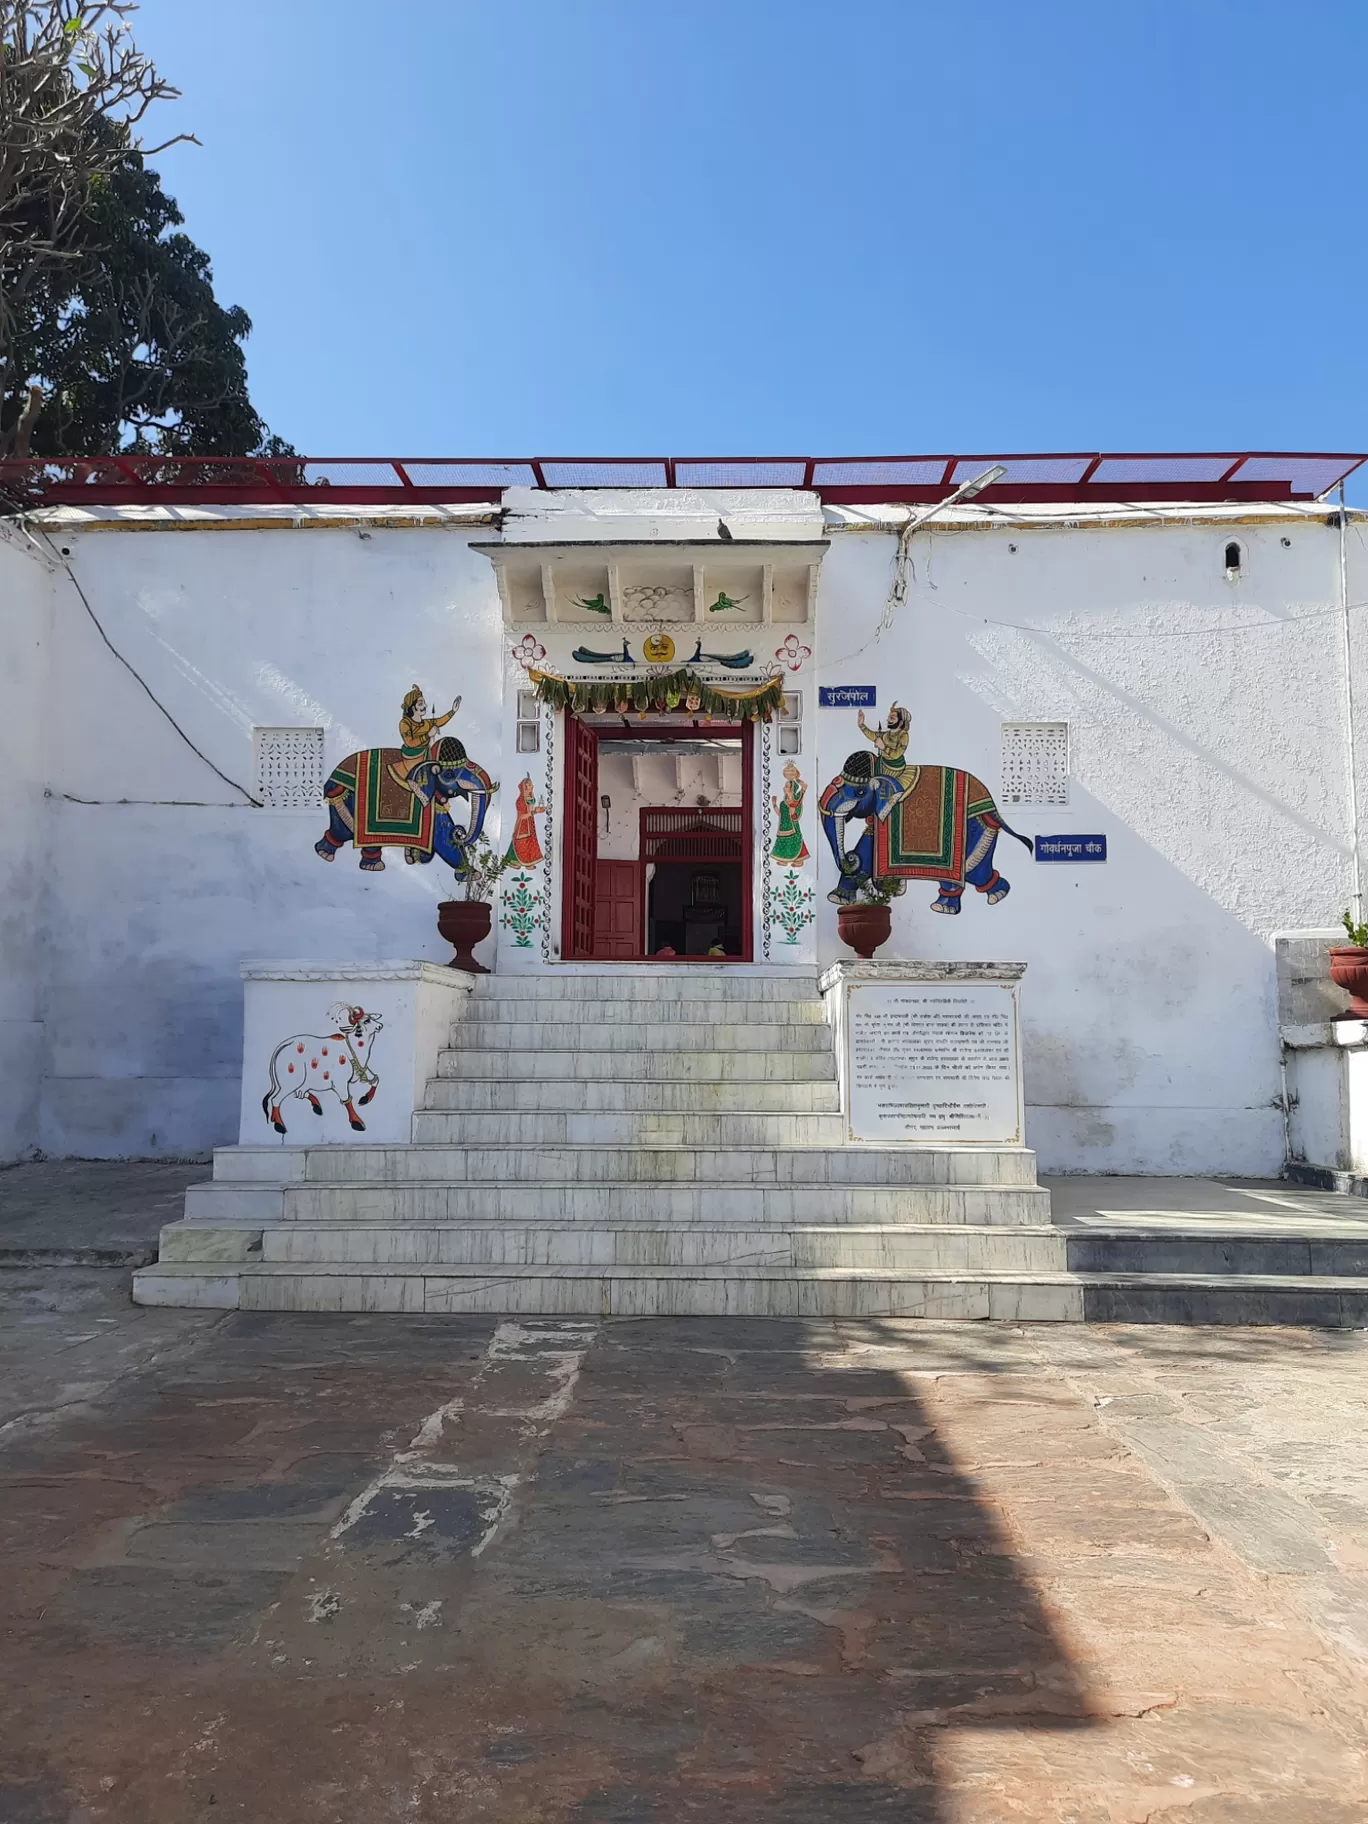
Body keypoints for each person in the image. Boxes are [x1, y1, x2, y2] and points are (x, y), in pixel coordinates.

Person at [389, 686, 460, 788]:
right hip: (412, 757)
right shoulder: (404, 723)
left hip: (426, 755)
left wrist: (452, 711)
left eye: (424, 703)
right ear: (413, 708)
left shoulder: (425, 723)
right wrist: (428, 735)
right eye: (421, 704)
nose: (425, 706)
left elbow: (439, 721)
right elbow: (410, 743)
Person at [770, 761, 810, 863]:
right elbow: (780, 814)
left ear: (792, 790)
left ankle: (798, 860)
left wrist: (802, 792)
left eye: (787, 786)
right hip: (783, 826)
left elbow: (794, 812)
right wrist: (774, 804)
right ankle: (783, 859)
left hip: (792, 826)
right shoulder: (784, 802)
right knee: (783, 842)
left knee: (794, 841)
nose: (784, 788)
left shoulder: (792, 802)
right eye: (785, 786)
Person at [504, 775, 545, 865]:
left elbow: (530, 809)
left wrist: (536, 810)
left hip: (530, 823)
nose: (532, 786)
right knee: (522, 842)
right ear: (524, 787)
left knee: (530, 842)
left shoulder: (529, 798)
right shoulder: (520, 801)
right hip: (522, 824)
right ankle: (514, 862)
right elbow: (522, 816)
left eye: (531, 784)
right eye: (530, 785)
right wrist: (535, 811)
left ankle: (528, 862)